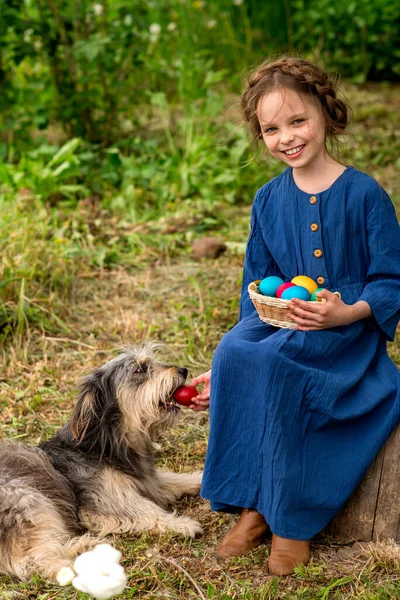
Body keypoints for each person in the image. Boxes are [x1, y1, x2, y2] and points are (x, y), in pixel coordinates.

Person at [187, 56, 400, 576]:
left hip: (343, 336)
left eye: (298, 120)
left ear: (326, 114)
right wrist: (229, 365)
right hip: (281, 319)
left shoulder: (364, 194)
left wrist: (346, 310)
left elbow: (390, 281)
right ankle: (252, 506)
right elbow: (255, 285)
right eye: (271, 128)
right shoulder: (267, 201)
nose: (287, 137)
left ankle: (289, 518)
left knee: (284, 366)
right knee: (237, 350)